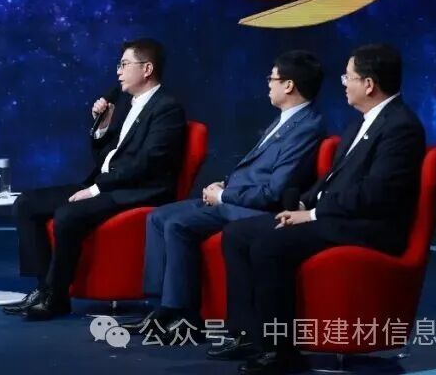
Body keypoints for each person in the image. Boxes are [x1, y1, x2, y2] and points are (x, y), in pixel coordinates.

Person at [211, 44, 426, 375]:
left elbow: (375, 194)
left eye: (348, 77)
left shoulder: (401, 127)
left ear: (369, 84)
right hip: (337, 216)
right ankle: (248, 336)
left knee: (270, 245)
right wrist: (303, 202)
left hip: (366, 226)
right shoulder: (361, 123)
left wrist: (312, 214)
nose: (344, 83)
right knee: (238, 234)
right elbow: (332, 179)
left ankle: (279, 350)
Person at [133, 51, 326, 332]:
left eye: (271, 78)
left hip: (254, 209)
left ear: (289, 85)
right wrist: (225, 184)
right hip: (235, 196)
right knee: (158, 216)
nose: (267, 84)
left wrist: (224, 196)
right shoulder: (285, 119)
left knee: (177, 224)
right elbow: (256, 169)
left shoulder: (306, 127)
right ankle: (161, 304)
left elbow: (274, 190)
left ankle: (183, 313)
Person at [4, 38, 187, 321]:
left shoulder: (167, 108)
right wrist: (102, 127)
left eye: (124, 64)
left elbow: (147, 164)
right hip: (109, 183)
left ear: (147, 68)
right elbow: (107, 158)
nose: (118, 71)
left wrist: (96, 189)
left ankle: (56, 296)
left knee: (68, 214)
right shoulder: (128, 104)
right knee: (26, 203)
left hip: (136, 191)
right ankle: (43, 288)